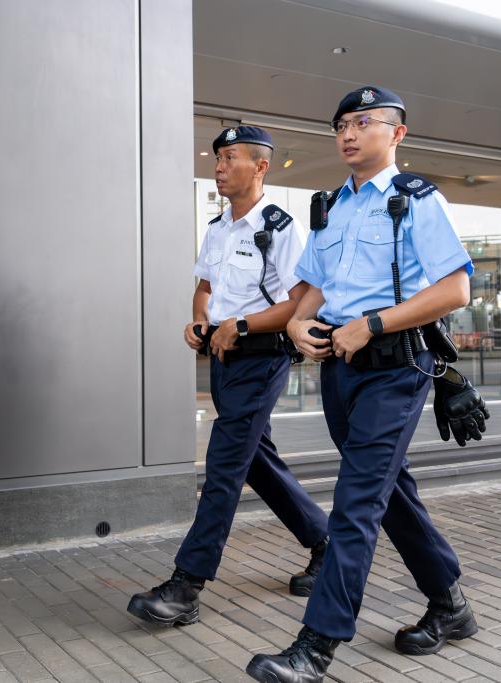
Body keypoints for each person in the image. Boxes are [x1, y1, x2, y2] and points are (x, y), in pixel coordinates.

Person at [246, 87, 482, 683]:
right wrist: (297, 323)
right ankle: (450, 605)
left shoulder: (416, 199)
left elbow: (455, 289)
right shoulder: (332, 207)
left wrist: (372, 324)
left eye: (363, 122)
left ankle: (316, 646)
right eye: (341, 125)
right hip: (340, 370)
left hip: (397, 370)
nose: (349, 134)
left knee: (355, 504)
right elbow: (314, 287)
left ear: (396, 133)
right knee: (387, 491)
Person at [127, 126, 329, 627]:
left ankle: (187, 584)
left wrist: (239, 324)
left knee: (223, 464)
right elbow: (205, 287)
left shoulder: (279, 227)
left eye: (230, 157)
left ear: (260, 166)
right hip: (223, 361)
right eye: (217, 157)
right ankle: (326, 543)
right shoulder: (218, 227)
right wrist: (200, 320)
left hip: (261, 359)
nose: (218, 166)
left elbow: (299, 304)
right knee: (255, 460)